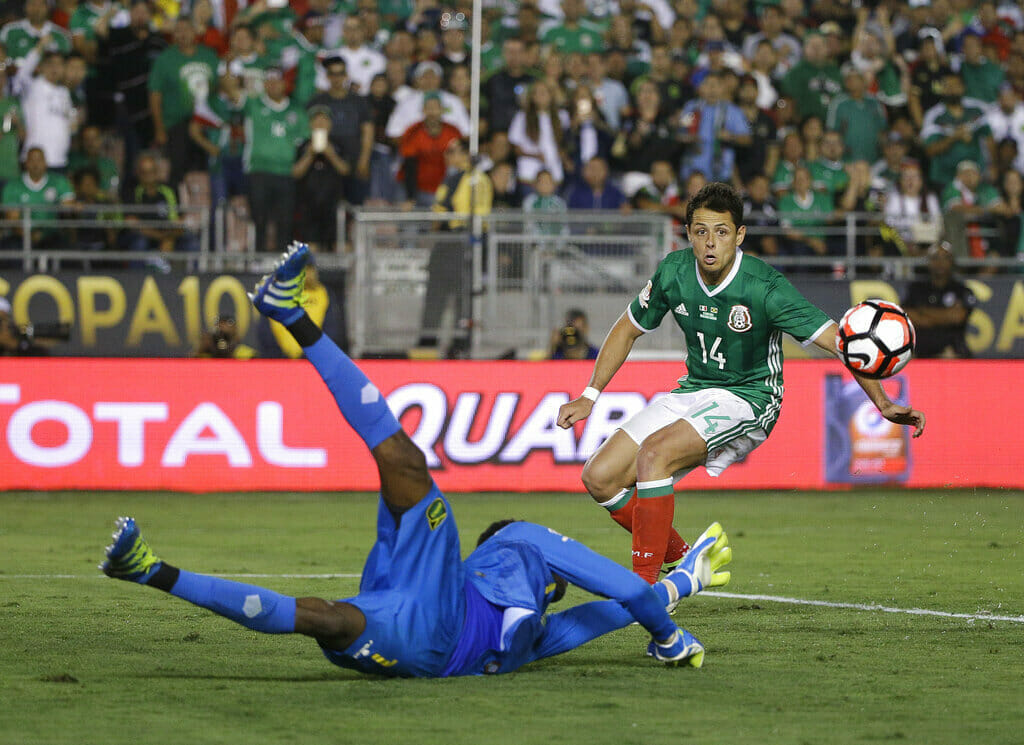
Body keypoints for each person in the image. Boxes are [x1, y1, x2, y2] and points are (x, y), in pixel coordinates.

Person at [101, 242, 733, 677]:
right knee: (392, 481)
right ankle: (291, 316)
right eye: (553, 586)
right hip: (429, 605)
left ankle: (151, 571)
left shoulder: (537, 629)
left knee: (327, 611)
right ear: (493, 554)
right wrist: (672, 620)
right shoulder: (520, 542)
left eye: (551, 592)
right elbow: (618, 592)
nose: (554, 591)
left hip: (416, 626)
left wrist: (681, 588)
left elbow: (608, 611)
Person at [556, 182, 925, 584]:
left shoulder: (765, 286)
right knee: (599, 476)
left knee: (653, 456)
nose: (710, 243)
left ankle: (643, 590)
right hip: (695, 389)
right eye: (701, 232)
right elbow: (627, 328)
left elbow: (842, 343)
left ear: (740, 235)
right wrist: (590, 395)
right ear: (688, 234)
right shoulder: (673, 272)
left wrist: (882, 402)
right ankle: (687, 558)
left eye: (721, 231)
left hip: (750, 397)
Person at [901, 242, 976, 358]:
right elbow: (906, 316)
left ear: (952, 262)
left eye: (945, 258)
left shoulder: (961, 290)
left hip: (951, 350)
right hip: (919, 350)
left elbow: (957, 317)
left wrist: (923, 312)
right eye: (935, 258)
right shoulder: (916, 288)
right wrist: (944, 316)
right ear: (929, 262)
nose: (940, 263)